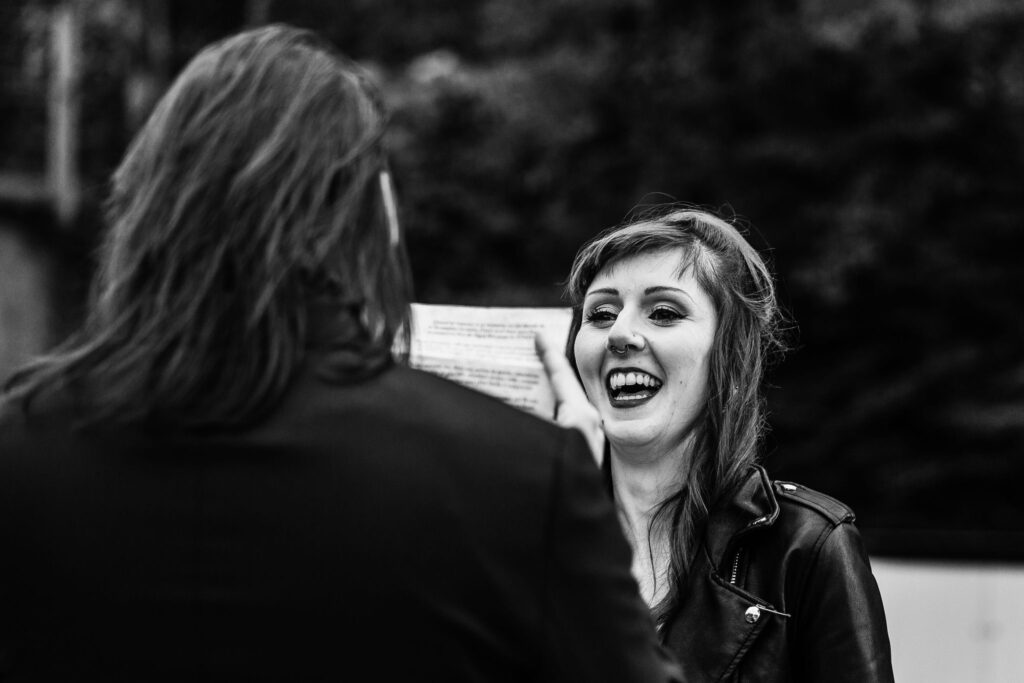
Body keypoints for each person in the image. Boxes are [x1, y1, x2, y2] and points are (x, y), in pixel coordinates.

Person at [0, 25, 682, 682]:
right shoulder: (527, 479)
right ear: (372, 213)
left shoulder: (19, 443)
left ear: (144, 209)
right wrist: (582, 526)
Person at [536, 207, 895, 682]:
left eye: (663, 312)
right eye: (600, 314)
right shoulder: (520, 536)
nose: (620, 333)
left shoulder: (806, 547)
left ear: (731, 351)